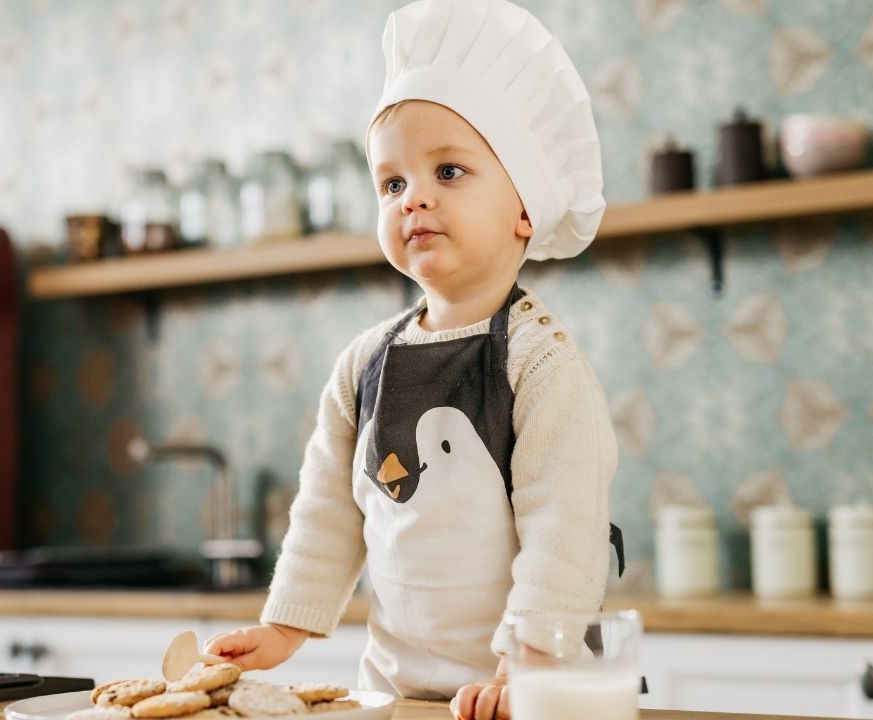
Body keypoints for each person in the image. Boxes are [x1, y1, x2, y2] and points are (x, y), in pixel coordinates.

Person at [205, 1, 621, 718]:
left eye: (449, 171)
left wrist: (531, 665)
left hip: (526, 694)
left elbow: (567, 529)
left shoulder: (540, 362)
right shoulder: (362, 363)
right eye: (391, 183)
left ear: (527, 209)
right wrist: (284, 628)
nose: (413, 198)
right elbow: (329, 511)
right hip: (399, 694)